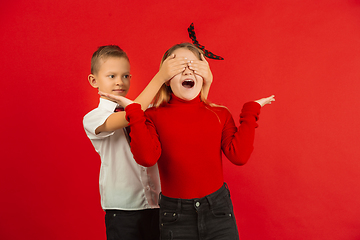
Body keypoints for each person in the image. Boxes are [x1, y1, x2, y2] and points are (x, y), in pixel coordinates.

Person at [99, 42, 275, 240]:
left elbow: (239, 155)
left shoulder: (219, 114)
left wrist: (250, 112)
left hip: (218, 210)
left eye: (194, 67)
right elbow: (147, 158)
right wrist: (135, 112)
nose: (187, 71)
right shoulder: (152, 116)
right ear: (166, 79)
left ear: (205, 74)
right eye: (179, 67)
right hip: (175, 215)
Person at [83, 45, 212, 240]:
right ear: (94, 80)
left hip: (162, 206)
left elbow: (188, 115)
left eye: (125, 76)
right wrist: (160, 77)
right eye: (112, 76)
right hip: (123, 209)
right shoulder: (94, 118)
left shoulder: (149, 111)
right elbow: (130, 116)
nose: (120, 82)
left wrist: (205, 82)